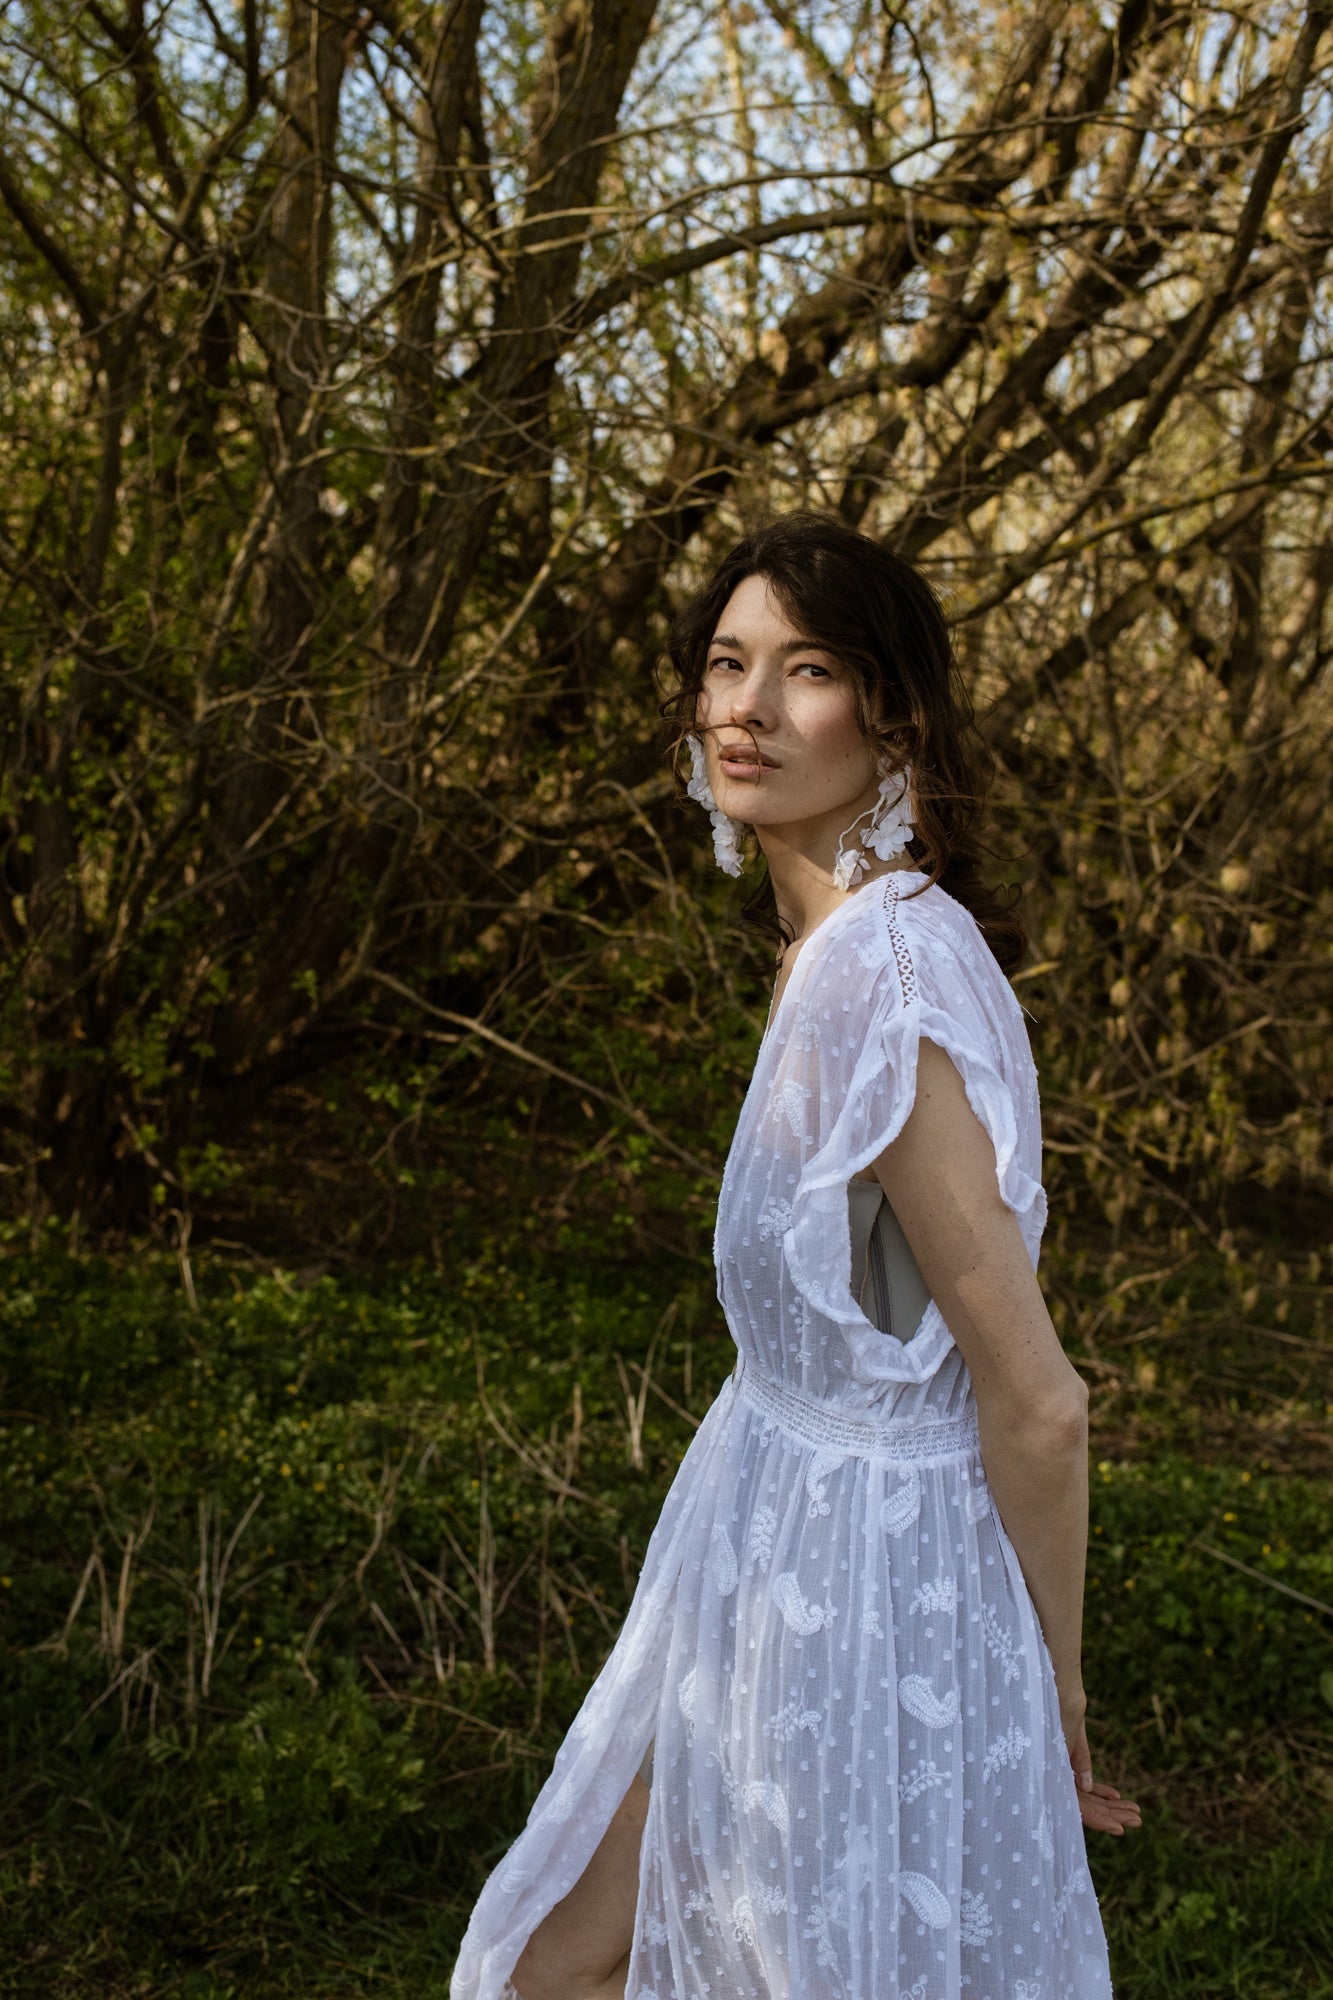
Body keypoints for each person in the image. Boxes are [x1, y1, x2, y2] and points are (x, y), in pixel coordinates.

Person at [451, 513, 1141, 2000]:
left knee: (577, 1972)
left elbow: (1036, 1397)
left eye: (804, 668)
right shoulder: (836, 954)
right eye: (723, 663)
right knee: (573, 1963)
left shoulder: (884, 977)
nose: (745, 709)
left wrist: (1053, 1693)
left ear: (891, 715)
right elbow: (887, 1306)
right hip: (767, 1561)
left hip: (860, 1592)